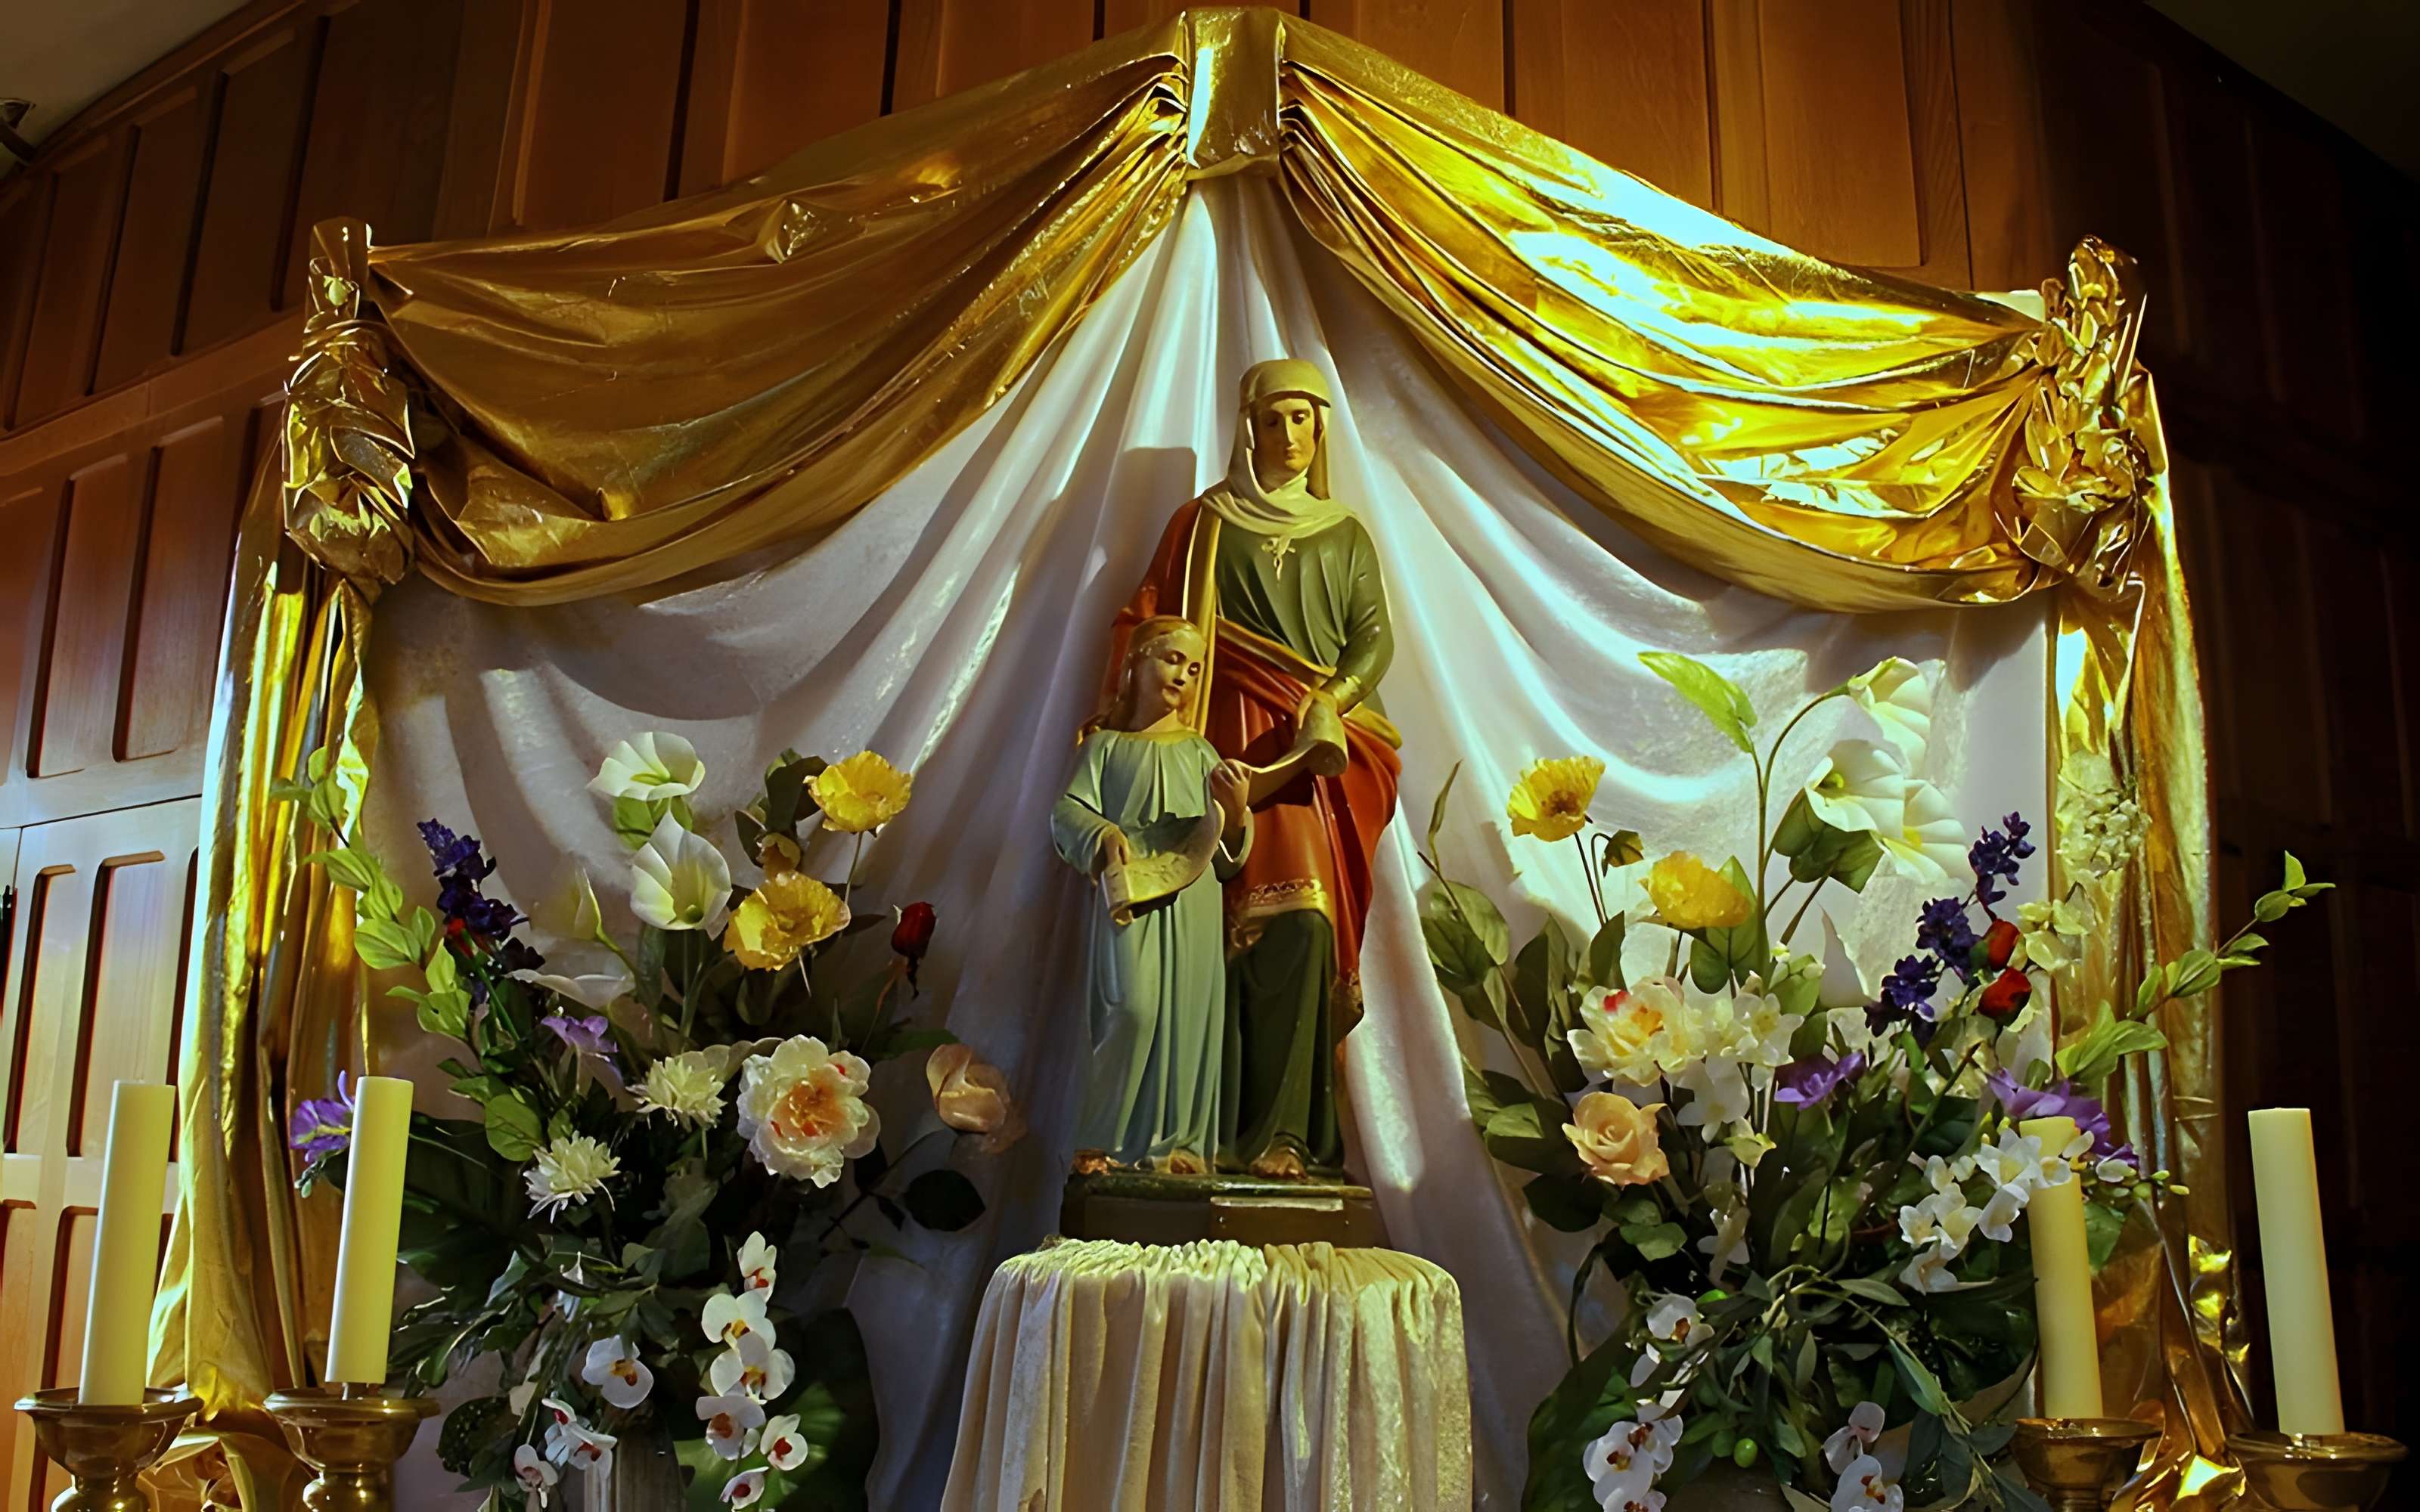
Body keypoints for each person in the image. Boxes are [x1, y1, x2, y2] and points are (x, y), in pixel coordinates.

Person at [1100, 358, 1401, 1178]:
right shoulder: (1200, 523)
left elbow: (1373, 640)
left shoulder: (1342, 535)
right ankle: (1190, 1134)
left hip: (1300, 751)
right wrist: (1126, 714)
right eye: (1275, 420)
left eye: (1304, 419)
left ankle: (1287, 1133)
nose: (1291, 436)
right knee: (1198, 932)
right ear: (1247, 427)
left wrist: (1330, 698)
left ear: (1321, 430)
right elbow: (1147, 617)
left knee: (1300, 923)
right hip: (1207, 736)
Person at [1052, 617, 1253, 1173]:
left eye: (1195, 669)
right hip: (1129, 892)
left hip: (1192, 897)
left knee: (1187, 1016)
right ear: (1135, 664)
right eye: (1172, 660)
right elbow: (1067, 811)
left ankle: (1178, 1146)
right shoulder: (1105, 748)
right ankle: (1104, 1139)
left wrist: (1235, 814)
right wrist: (1103, 834)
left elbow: (1231, 845)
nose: (1184, 676)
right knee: (1131, 1008)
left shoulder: (1200, 752)